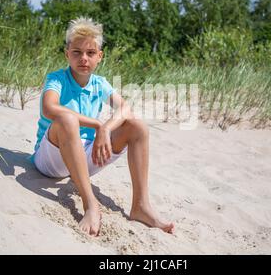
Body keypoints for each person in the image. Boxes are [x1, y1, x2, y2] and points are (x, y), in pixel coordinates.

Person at [30, 17, 174, 236]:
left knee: (138, 127)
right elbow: (49, 108)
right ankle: (90, 204)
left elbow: (125, 107)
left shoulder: (100, 83)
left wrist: (106, 128)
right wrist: (97, 123)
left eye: (90, 53)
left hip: (84, 155)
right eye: (77, 52)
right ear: (67, 53)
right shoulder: (58, 78)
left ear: (100, 56)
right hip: (51, 158)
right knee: (68, 120)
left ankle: (141, 206)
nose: (83, 58)